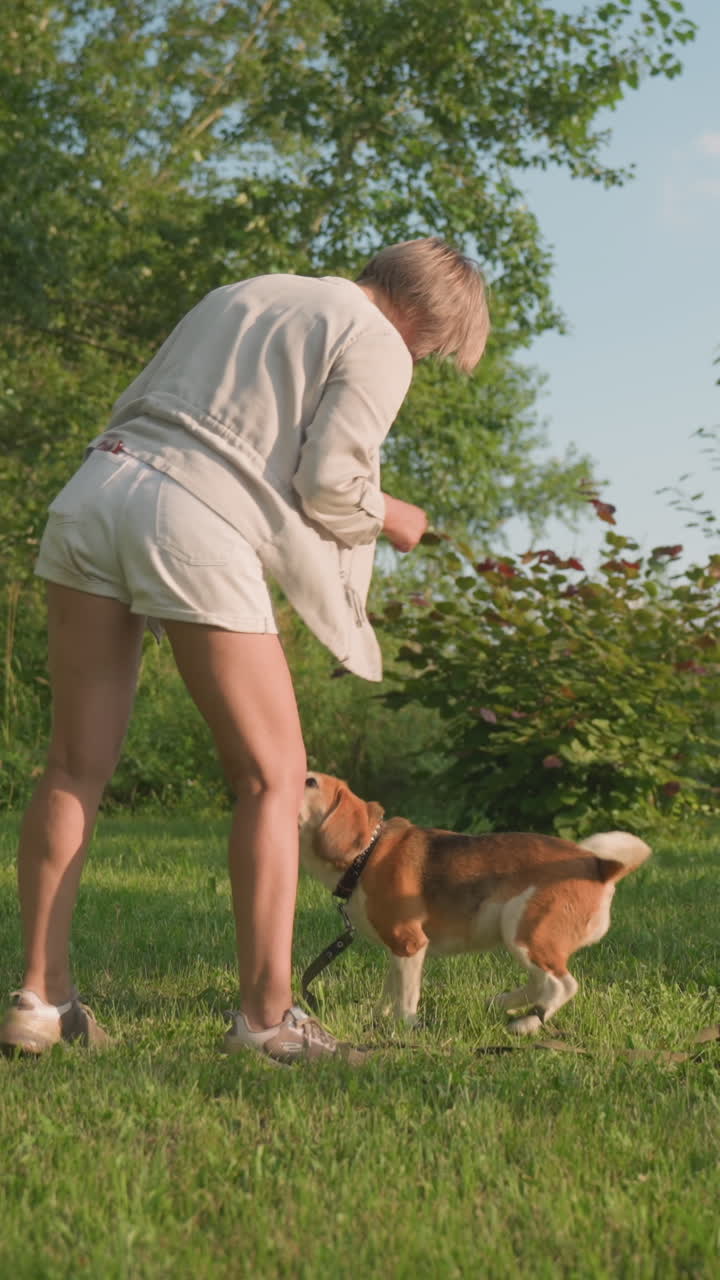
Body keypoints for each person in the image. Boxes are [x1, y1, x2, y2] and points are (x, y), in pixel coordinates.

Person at [0, 237, 490, 1065]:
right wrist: (394, 513)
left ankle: (40, 1000)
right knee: (273, 775)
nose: (425, 358)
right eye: (437, 348)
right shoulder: (375, 338)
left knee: (73, 767)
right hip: (190, 516)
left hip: (94, 491)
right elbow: (331, 481)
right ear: (431, 320)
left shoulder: (252, 287)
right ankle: (268, 1021)